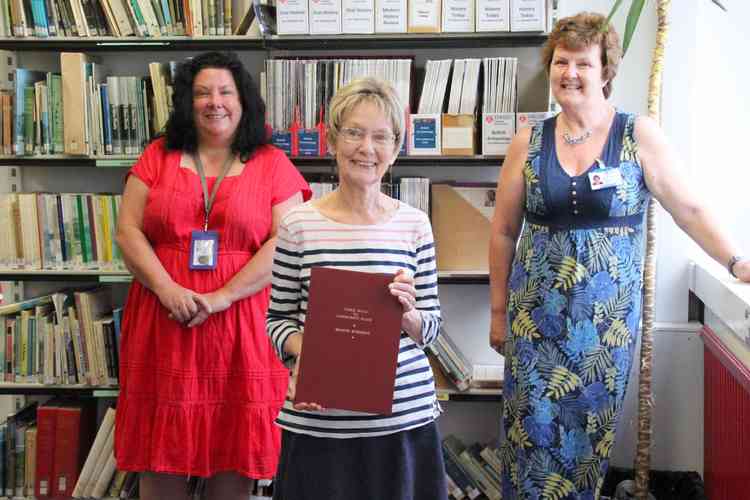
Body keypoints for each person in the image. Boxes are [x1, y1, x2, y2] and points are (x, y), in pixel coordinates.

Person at [488, 12, 750, 500]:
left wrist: (736, 262)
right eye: (561, 61)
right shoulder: (529, 140)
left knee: (585, 442)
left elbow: (688, 208)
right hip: (533, 326)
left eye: (583, 63)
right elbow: (504, 230)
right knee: (529, 439)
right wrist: (499, 313)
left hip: (601, 333)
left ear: (606, 71)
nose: (570, 72)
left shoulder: (637, 135)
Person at [114, 51, 311, 500]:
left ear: (243, 101)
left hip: (240, 326)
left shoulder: (272, 163)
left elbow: (287, 241)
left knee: (233, 456)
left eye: (225, 91)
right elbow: (127, 232)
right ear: (187, 101)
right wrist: (167, 289)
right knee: (158, 457)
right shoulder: (157, 156)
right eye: (202, 92)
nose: (214, 101)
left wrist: (221, 296)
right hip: (164, 320)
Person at [266, 77, 447, 500]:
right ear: (332, 140)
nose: (367, 148)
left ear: (396, 150)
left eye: (381, 137)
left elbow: (433, 328)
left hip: (402, 423)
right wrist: (305, 352)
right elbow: (277, 320)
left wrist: (409, 315)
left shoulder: (415, 224)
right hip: (320, 423)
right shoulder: (298, 224)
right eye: (354, 132)